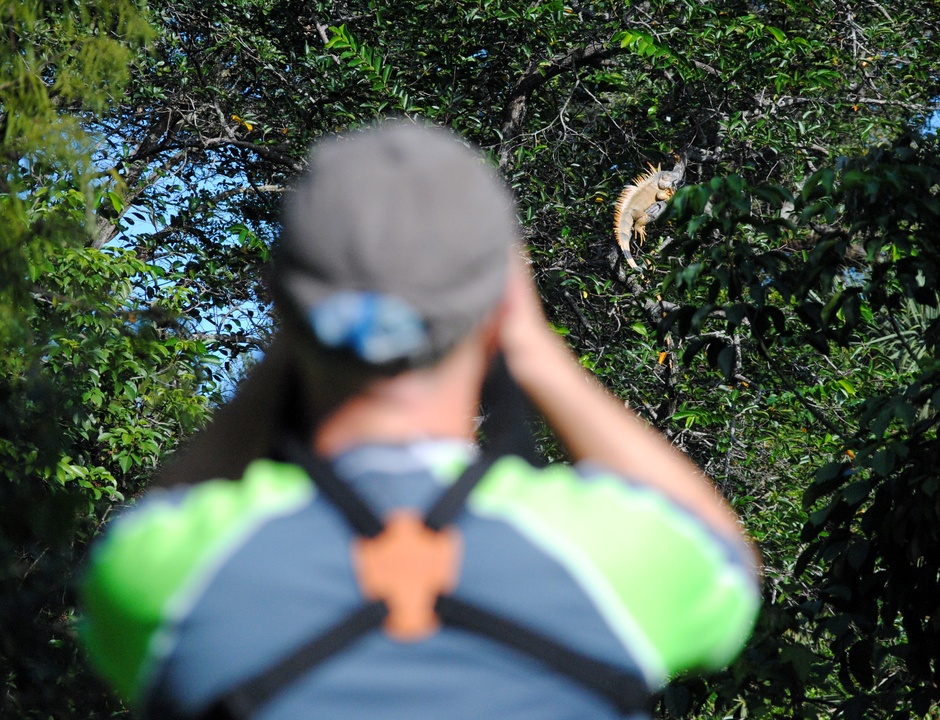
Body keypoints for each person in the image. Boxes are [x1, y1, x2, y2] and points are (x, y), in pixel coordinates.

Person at [78, 121, 760, 720]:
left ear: (287, 309)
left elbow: (140, 533)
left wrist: (288, 344)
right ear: (501, 307)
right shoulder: (598, 560)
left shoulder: (176, 576)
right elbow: (724, 559)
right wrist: (537, 352)